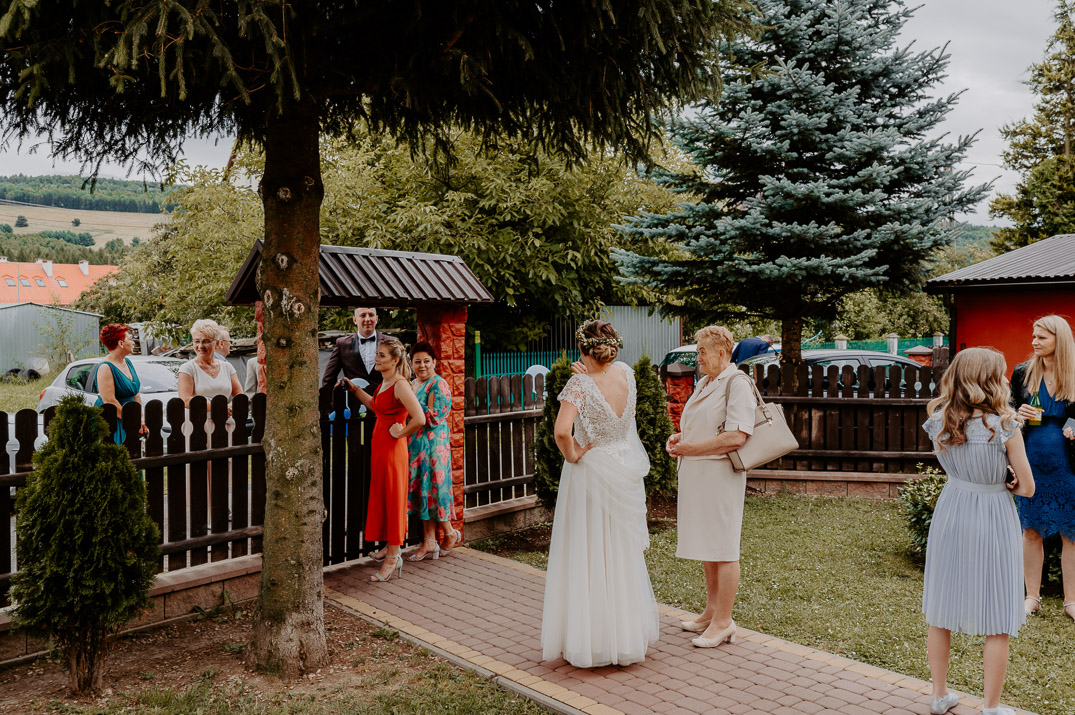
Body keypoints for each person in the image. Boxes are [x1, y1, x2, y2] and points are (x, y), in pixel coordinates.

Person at [920, 347, 1034, 715]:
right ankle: (991, 707)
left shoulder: (938, 421)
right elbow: (1027, 487)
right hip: (993, 514)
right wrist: (1009, 480)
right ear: (987, 380)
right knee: (998, 615)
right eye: (1001, 373)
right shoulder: (1004, 425)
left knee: (941, 608)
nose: (1006, 379)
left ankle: (939, 695)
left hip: (951, 510)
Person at [541, 320, 658, 667]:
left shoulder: (579, 384)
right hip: (622, 469)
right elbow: (611, 398)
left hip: (590, 473)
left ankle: (590, 640)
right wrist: (588, 375)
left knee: (588, 550)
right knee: (619, 553)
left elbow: (562, 431)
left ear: (582, 350)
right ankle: (625, 638)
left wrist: (573, 454)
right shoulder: (627, 374)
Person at [667, 325, 757, 648]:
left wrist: (691, 449)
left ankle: (724, 621)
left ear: (722, 353)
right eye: (698, 352)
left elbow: (736, 436)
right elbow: (704, 424)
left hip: (721, 478)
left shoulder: (738, 383)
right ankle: (711, 611)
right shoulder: (706, 382)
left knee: (724, 548)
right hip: (699, 477)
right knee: (709, 546)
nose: (698, 358)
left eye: (702, 352)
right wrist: (681, 437)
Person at [340, 336, 426, 582]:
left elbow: (419, 418)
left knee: (393, 498)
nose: (376, 358)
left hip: (392, 450)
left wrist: (401, 432)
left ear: (395, 360)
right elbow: (377, 407)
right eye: (377, 354)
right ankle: (390, 546)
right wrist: (355, 389)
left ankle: (393, 556)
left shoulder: (400, 384)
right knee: (384, 497)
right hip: (380, 448)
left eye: (381, 355)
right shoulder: (385, 382)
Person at [1010, 314, 1075, 622]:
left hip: (1068, 463)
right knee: (1031, 530)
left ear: (1059, 340)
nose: (1034, 342)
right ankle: (1032, 597)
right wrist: (1016, 413)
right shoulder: (1022, 372)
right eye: (1034, 336)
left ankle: (1071, 601)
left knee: (1071, 533)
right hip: (1030, 458)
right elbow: (1006, 412)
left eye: (1041, 337)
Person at [405, 342, 461, 561]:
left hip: (434, 447)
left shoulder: (439, 384)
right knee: (423, 491)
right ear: (411, 363)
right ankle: (429, 541)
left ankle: (449, 532)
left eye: (426, 361)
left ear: (434, 362)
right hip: (416, 448)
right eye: (417, 361)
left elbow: (434, 417)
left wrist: (410, 403)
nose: (422, 366)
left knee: (436, 490)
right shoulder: (413, 384)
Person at [91, 323, 143, 445]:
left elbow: (135, 393)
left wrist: (139, 417)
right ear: (121, 343)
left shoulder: (128, 362)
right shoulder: (105, 367)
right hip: (114, 419)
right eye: (130, 339)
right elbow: (109, 401)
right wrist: (131, 421)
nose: (133, 342)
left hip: (131, 417)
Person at [178, 319, 243, 410]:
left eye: (206, 341)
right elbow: (185, 400)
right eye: (197, 341)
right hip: (197, 419)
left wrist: (229, 408)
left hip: (223, 417)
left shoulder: (227, 367)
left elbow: (239, 394)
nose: (200, 346)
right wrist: (218, 408)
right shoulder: (187, 369)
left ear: (217, 343)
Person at [321, 307, 384, 393]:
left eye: (371, 315)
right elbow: (329, 378)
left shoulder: (391, 342)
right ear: (355, 320)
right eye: (363, 315)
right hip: (353, 399)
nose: (367, 319)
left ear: (376, 319)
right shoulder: (342, 344)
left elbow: (401, 372)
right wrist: (328, 399)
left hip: (384, 398)